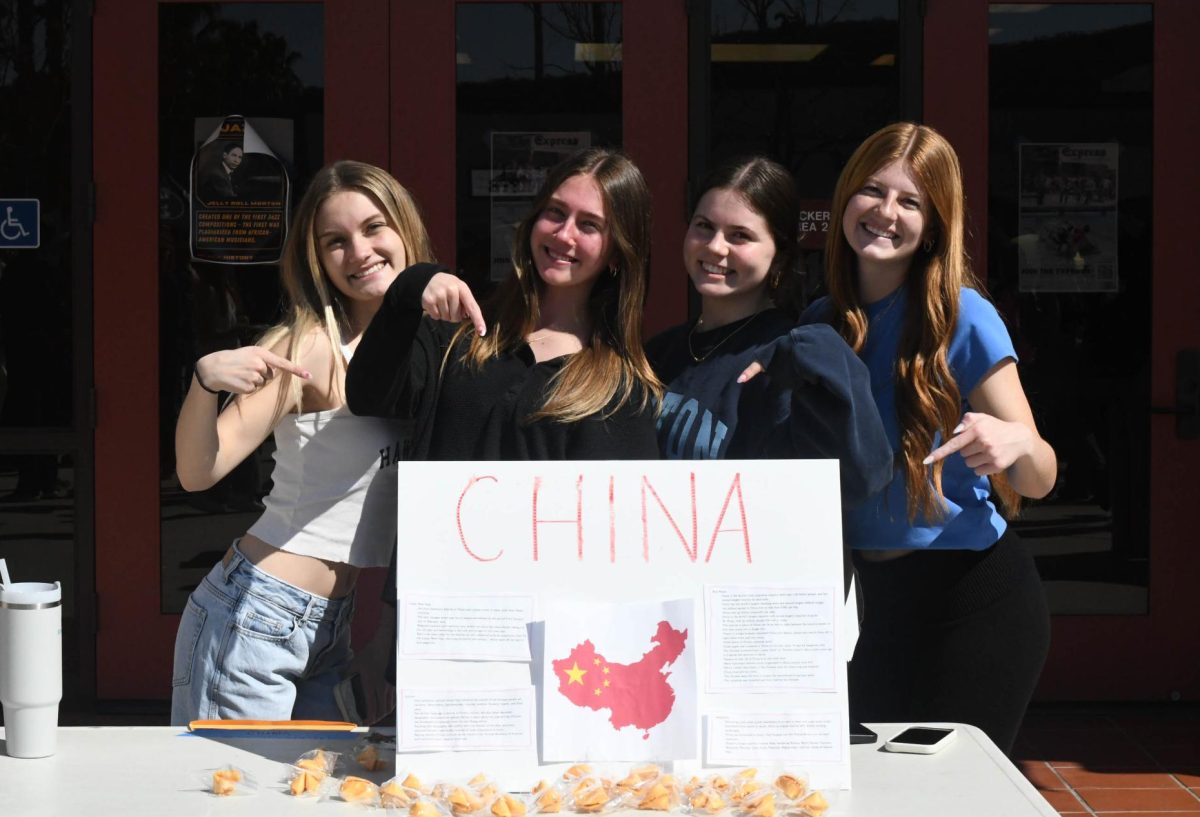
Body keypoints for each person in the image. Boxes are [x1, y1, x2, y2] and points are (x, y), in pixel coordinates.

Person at [345, 149, 663, 720]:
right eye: (555, 213)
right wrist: (408, 288)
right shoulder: (461, 334)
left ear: (617, 253)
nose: (564, 235)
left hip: (548, 662)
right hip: (437, 634)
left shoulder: (620, 388)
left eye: (589, 225)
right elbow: (367, 394)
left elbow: (618, 565)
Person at [800, 122, 1056, 754]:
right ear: (844, 202)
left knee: (951, 797)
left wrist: (1016, 444)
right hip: (877, 610)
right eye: (872, 191)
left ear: (935, 222)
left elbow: (1041, 476)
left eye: (910, 201)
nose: (886, 213)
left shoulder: (963, 315)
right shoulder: (818, 324)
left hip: (975, 605)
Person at [170, 160, 436, 724]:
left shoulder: (429, 348)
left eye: (373, 228)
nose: (358, 251)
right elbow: (198, 472)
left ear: (405, 231)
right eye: (335, 241)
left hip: (332, 623)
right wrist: (204, 382)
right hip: (257, 612)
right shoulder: (310, 346)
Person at [645, 156, 892, 596]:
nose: (715, 247)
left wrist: (817, 356)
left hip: (756, 615)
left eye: (740, 236)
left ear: (779, 253)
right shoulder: (654, 356)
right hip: (661, 600)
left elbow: (863, 477)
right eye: (704, 226)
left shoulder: (796, 361)